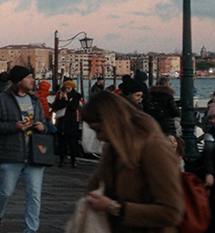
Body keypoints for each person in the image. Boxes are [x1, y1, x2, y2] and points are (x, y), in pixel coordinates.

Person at [81, 91, 184, 232]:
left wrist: (114, 207)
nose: (98, 137)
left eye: (99, 130)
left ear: (112, 122)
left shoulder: (154, 149)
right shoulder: (113, 151)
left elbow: (172, 212)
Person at [0, 65, 49, 233]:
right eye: (29, 77)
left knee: (34, 194)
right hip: (11, 153)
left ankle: (31, 229)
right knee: (6, 192)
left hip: (34, 153)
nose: (32, 80)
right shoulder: (0, 100)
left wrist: (43, 126)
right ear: (19, 81)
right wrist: (13, 126)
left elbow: (45, 123)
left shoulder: (35, 101)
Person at [51, 80, 83, 168]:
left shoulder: (76, 96)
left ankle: (73, 160)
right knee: (62, 143)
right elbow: (55, 107)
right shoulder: (60, 96)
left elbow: (73, 107)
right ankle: (62, 160)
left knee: (73, 143)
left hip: (71, 122)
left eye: (69, 88)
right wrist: (61, 99)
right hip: (62, 122)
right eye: (66, 88)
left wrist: (66, 100)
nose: (67, 90)